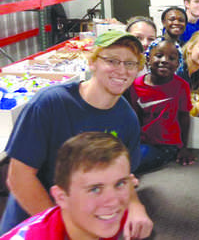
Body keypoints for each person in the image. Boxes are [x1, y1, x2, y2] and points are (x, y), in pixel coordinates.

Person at [0, 31, 153, 238]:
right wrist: (61, 230)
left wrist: (135, 206)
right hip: (33, 224)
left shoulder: (127, 119)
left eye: (130, 64)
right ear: (92, 62)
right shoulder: (50, 104)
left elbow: (123, 177)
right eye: (112, 60)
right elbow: (19, 178)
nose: (121, 70)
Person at [0, 132, 135, 240]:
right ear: (61, 197)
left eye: (119, 184)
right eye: (95, 189)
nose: (113, 201)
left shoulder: (107, 216)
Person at [128, 39, 196, 173]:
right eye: (159, 56)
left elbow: (184, 117)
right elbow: (135, 118)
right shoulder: (135, 85)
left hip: (167, 145)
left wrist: (183, 148)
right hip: (141, 141)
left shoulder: (181, 86)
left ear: (178, 64)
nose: (164, 60)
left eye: (172, 58)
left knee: (138, 158)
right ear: (147, 59)